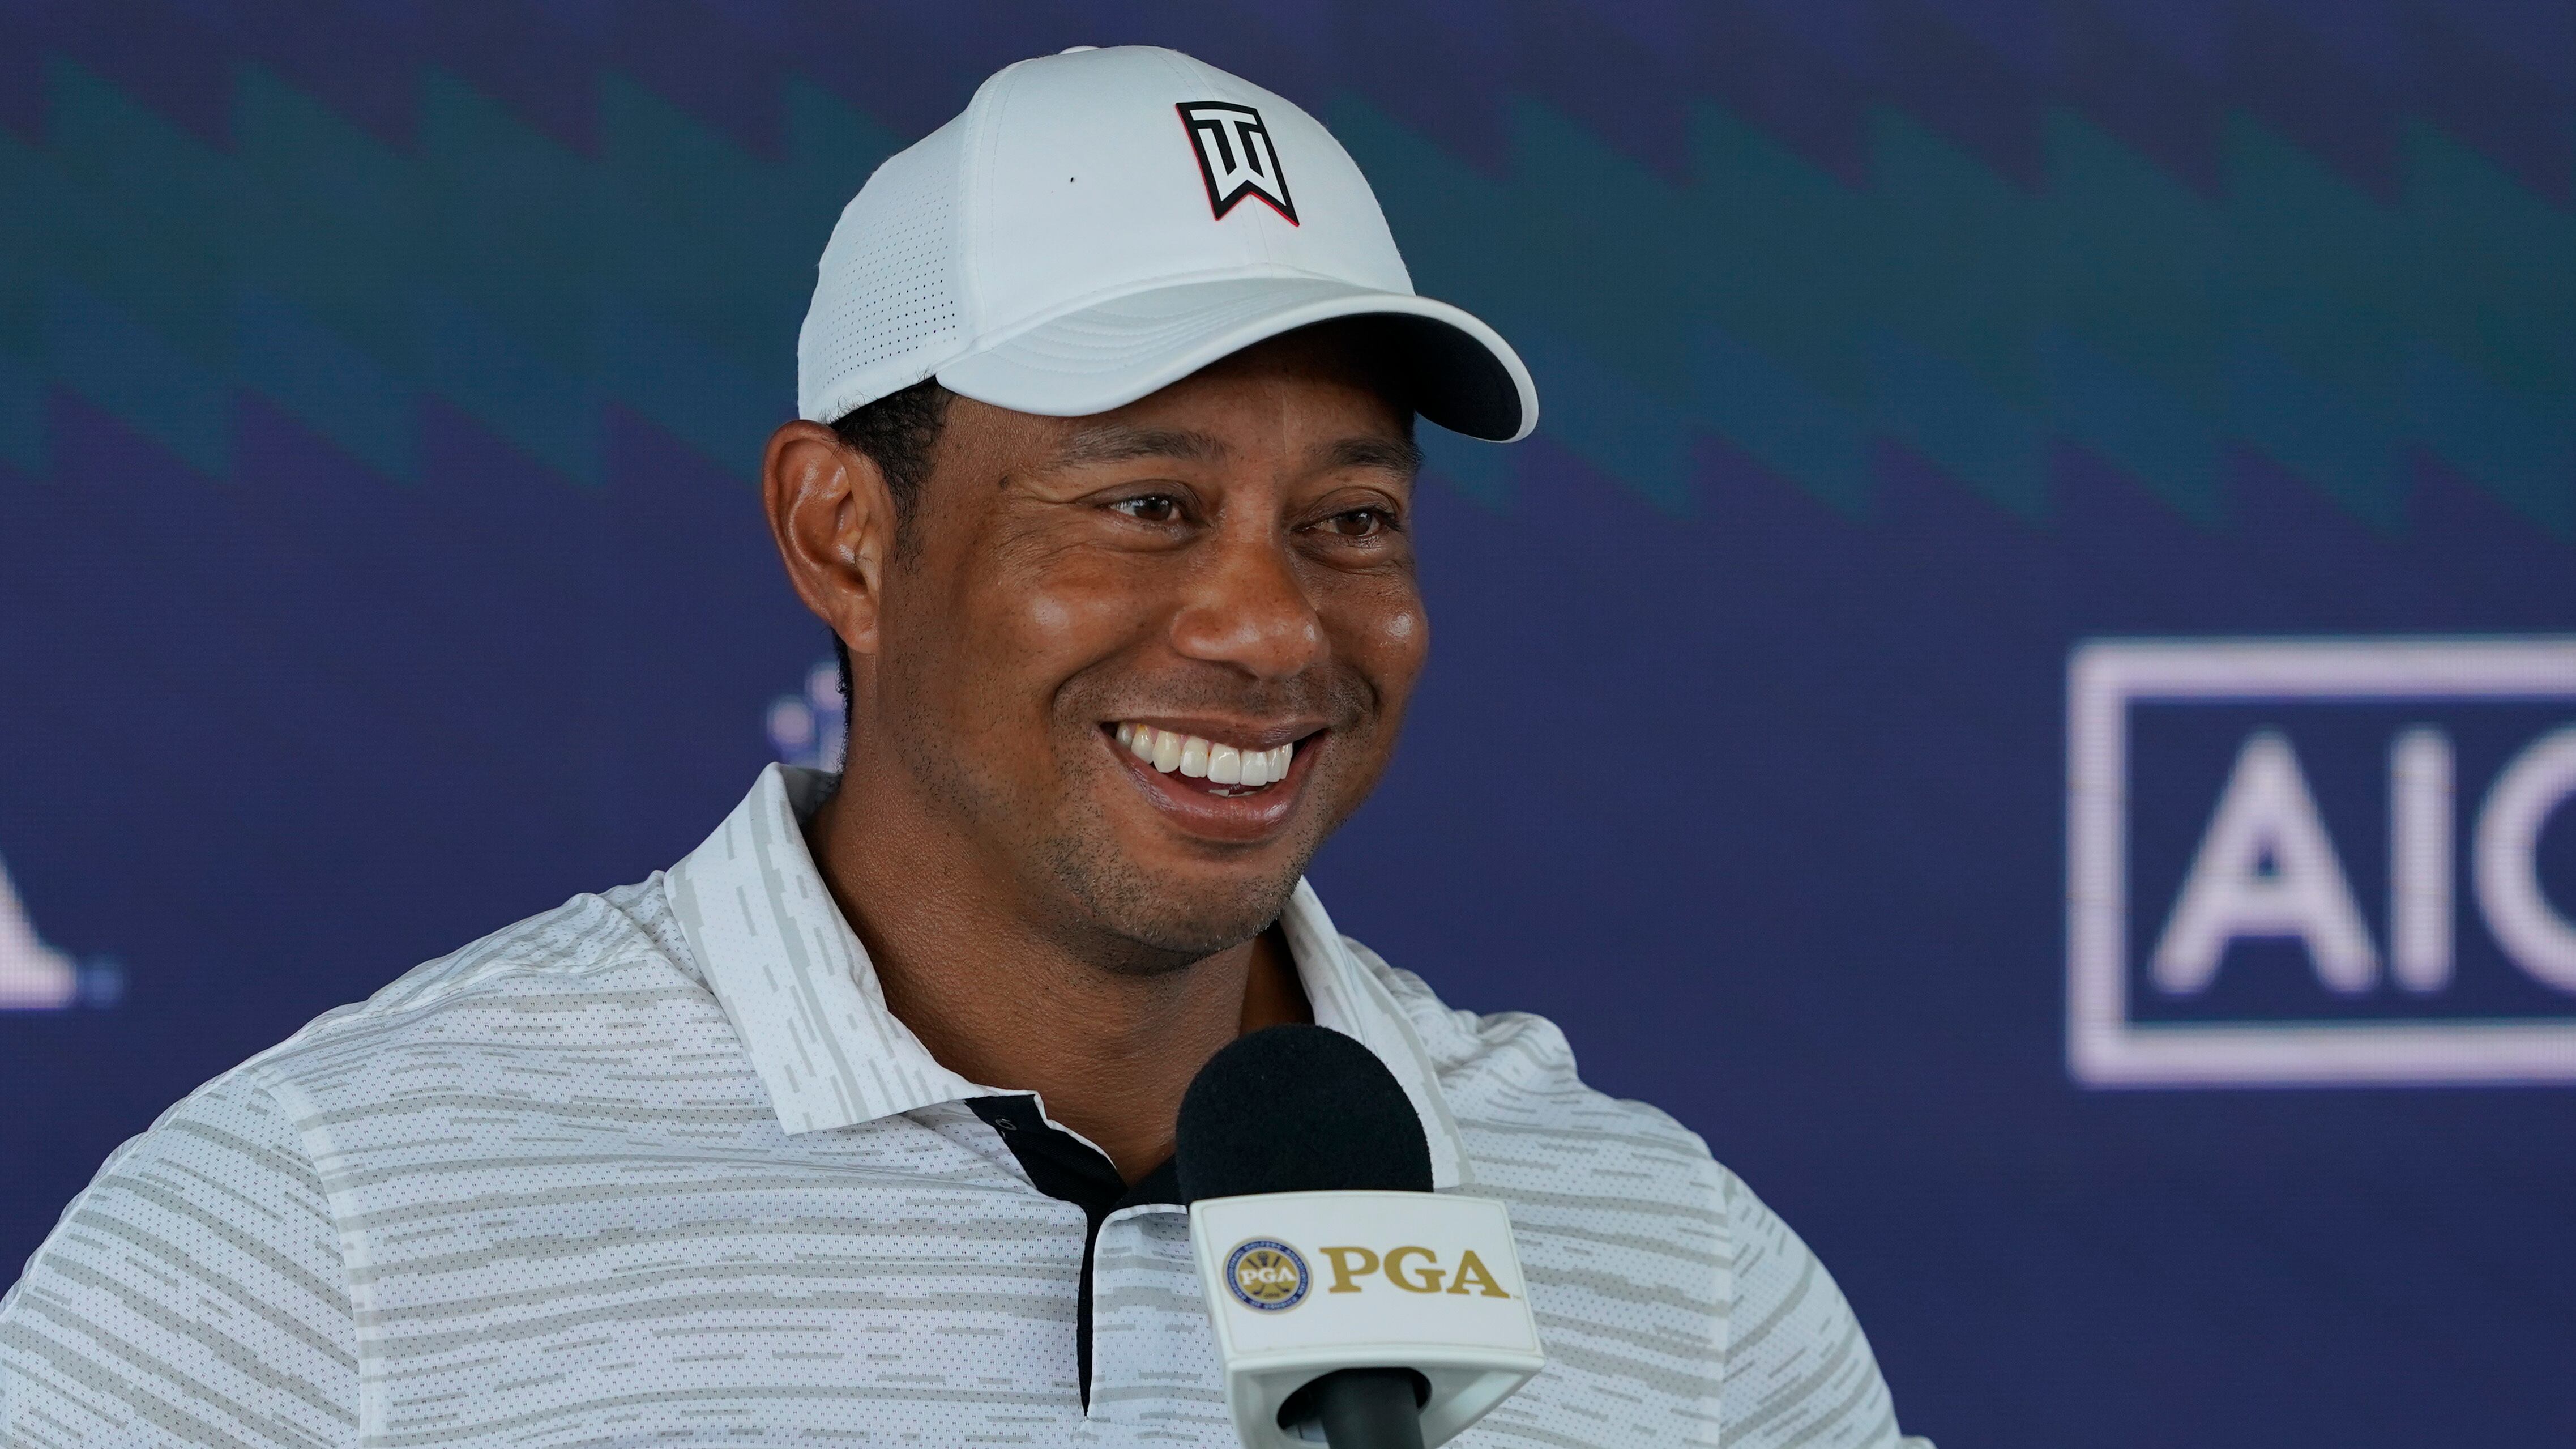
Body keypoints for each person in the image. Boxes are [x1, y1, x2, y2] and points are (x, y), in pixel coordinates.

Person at [0, 46, 1926, 1448]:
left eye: (1351, 520)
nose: (1273, 628)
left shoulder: (1662, 1259)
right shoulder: (325, 1227)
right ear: (845, 534)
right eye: (1147, 506)